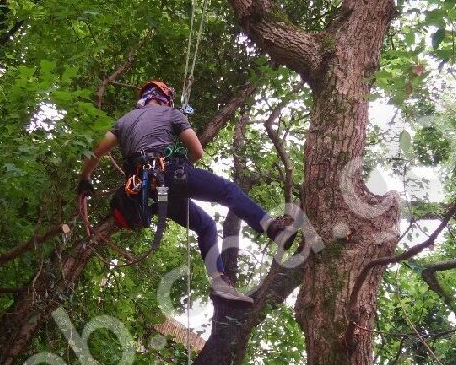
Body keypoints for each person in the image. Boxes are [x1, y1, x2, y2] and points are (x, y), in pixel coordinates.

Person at [76, 80, 295, 303]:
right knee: (227, 191)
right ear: (164, 97)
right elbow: (197, 151)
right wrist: (182, 166)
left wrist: (85, 179)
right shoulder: (171, 113)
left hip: (147, 189)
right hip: (171, 173)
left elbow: (96, 151)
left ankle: (220, 284)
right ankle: (273, 229)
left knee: (205, 224)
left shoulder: (123, 121)